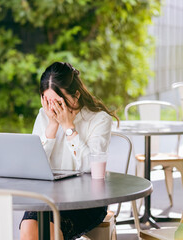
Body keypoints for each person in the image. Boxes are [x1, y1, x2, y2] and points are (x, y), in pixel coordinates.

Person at [20, 62, 119, 240]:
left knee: (49, 231)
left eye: (58, 102)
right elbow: (33, 166)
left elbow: (92, 167)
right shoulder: (44, 116)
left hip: (87, 199)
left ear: (76, 96)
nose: (52, 108)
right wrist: (51, 126)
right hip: (48, 197)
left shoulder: (98, 119)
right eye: (47, 101)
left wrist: (68, 127)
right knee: (28, 227)